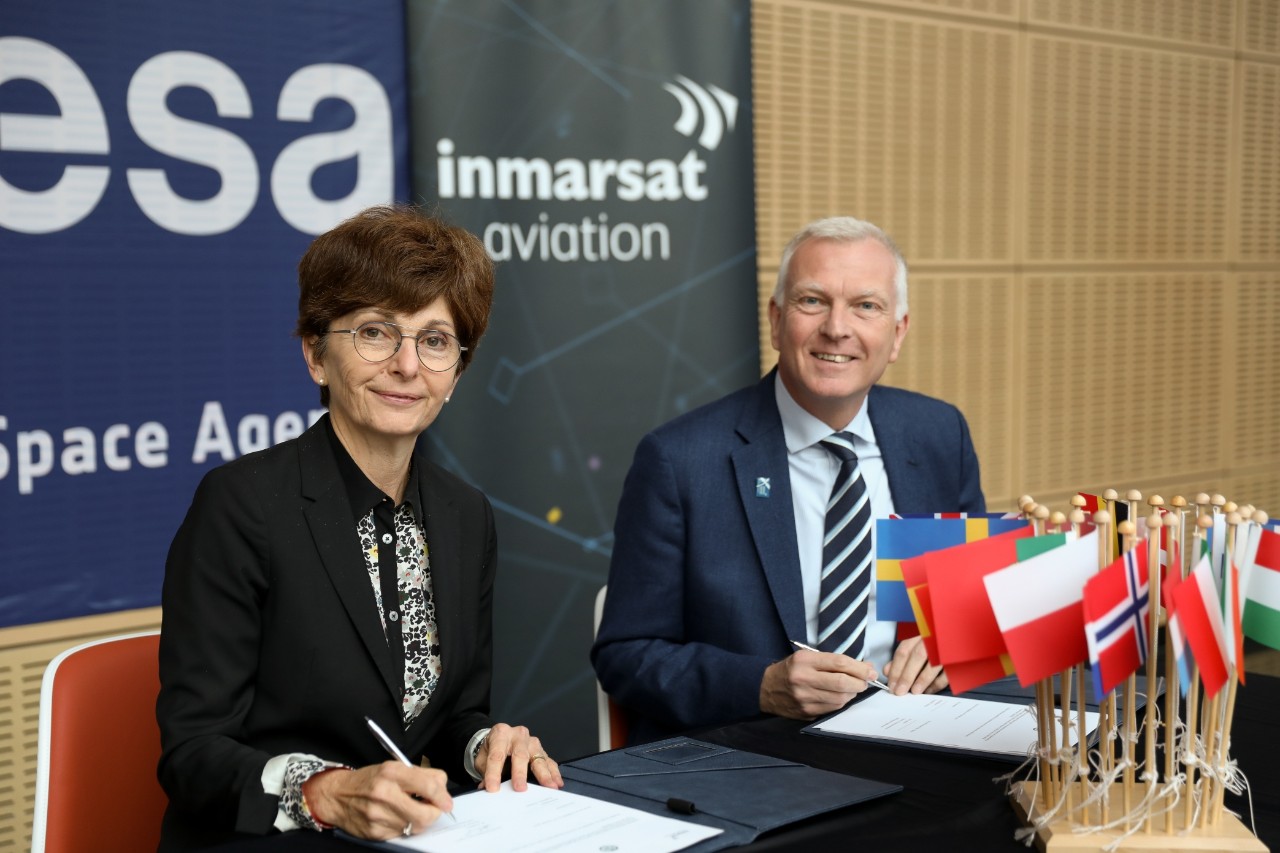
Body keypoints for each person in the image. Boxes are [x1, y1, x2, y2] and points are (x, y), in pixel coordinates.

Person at [157, 205, 562, 850]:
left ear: (456, 372)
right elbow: (192, 753)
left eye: (434, 341)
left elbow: (452, 714)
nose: (407, 365)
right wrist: (324, 794)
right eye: (376, 333)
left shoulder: (465, 515)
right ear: (316, 357)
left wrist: (487, 745)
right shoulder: (242, 504)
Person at [591, 216, 985, 745]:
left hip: (916, 740)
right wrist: (761, 686)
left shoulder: (938, 436)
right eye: (812, 301)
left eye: (866, 306)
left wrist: (950, 641)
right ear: (777, 321)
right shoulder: (680, 460)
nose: (837, 328)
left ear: (897, 333)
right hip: (756, 758)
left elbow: (971, 606)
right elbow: (627, 655)